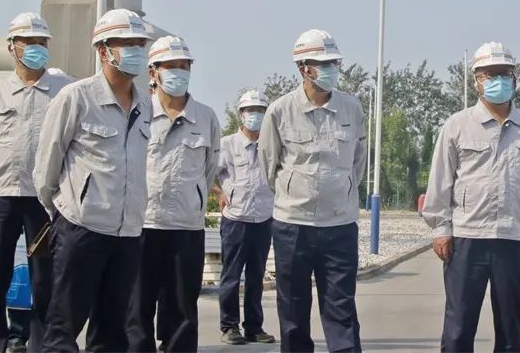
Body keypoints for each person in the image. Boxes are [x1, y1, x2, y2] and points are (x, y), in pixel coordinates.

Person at [422, 41, 520, 352]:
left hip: (512, 238)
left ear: (515, 78)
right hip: (466, 238)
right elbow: (440, 180)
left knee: (510, 328)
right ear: (476, 80)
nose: (498, 80)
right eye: (489, 74)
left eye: (504, 73)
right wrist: (441, 228)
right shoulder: (457, 125)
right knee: (459, 327)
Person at [33, 8, 152, 352]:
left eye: (139, 44)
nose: (136, 51)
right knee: (64, 327)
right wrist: (66, 213)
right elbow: (47, 167)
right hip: (80, 228)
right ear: (103, 50)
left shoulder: (145, 105)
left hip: (127, 233)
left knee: (113, 331)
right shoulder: (76, 97)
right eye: (127, 44)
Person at [259, 29, 366, 353]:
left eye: (334, 63)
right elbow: (269, 165)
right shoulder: (280, 110)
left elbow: (358, 163)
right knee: (292, 308)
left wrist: (341, 191)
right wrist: (294, 193)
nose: (331, 69)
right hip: (293, 225)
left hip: (339, 225)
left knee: (341, 307)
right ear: (303, 68)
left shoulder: (352, 108)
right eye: (323, 64)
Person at [126, 36, 221, 352]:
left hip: (186, 228)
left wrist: (193, 199)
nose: (179, 72)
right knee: (136, 309)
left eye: (184, 66)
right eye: (171, 66)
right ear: (153, 72)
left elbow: (209, 170)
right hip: (141, 225)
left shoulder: (206, 117)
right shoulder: (136, 112)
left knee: (182, 311)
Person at [0, 12, 72, 353]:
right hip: (2, 196)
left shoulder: (65, 90)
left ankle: (43, 344)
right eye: (29, 42)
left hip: (45, 201)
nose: (37, 48)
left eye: (42, 42)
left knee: (45, 277)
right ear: (12, 47)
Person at [213, 89, 276, 346]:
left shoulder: (271, 145)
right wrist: (219, 192)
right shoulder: (227, 144)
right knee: (231, 275)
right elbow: (206, 171)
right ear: (241, 114)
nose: (255, 115)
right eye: (251, 111)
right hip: (235, 220)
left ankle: (254, 327)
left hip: (263, 219)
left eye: (260, 111)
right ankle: (229, 326)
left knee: (256, 276)